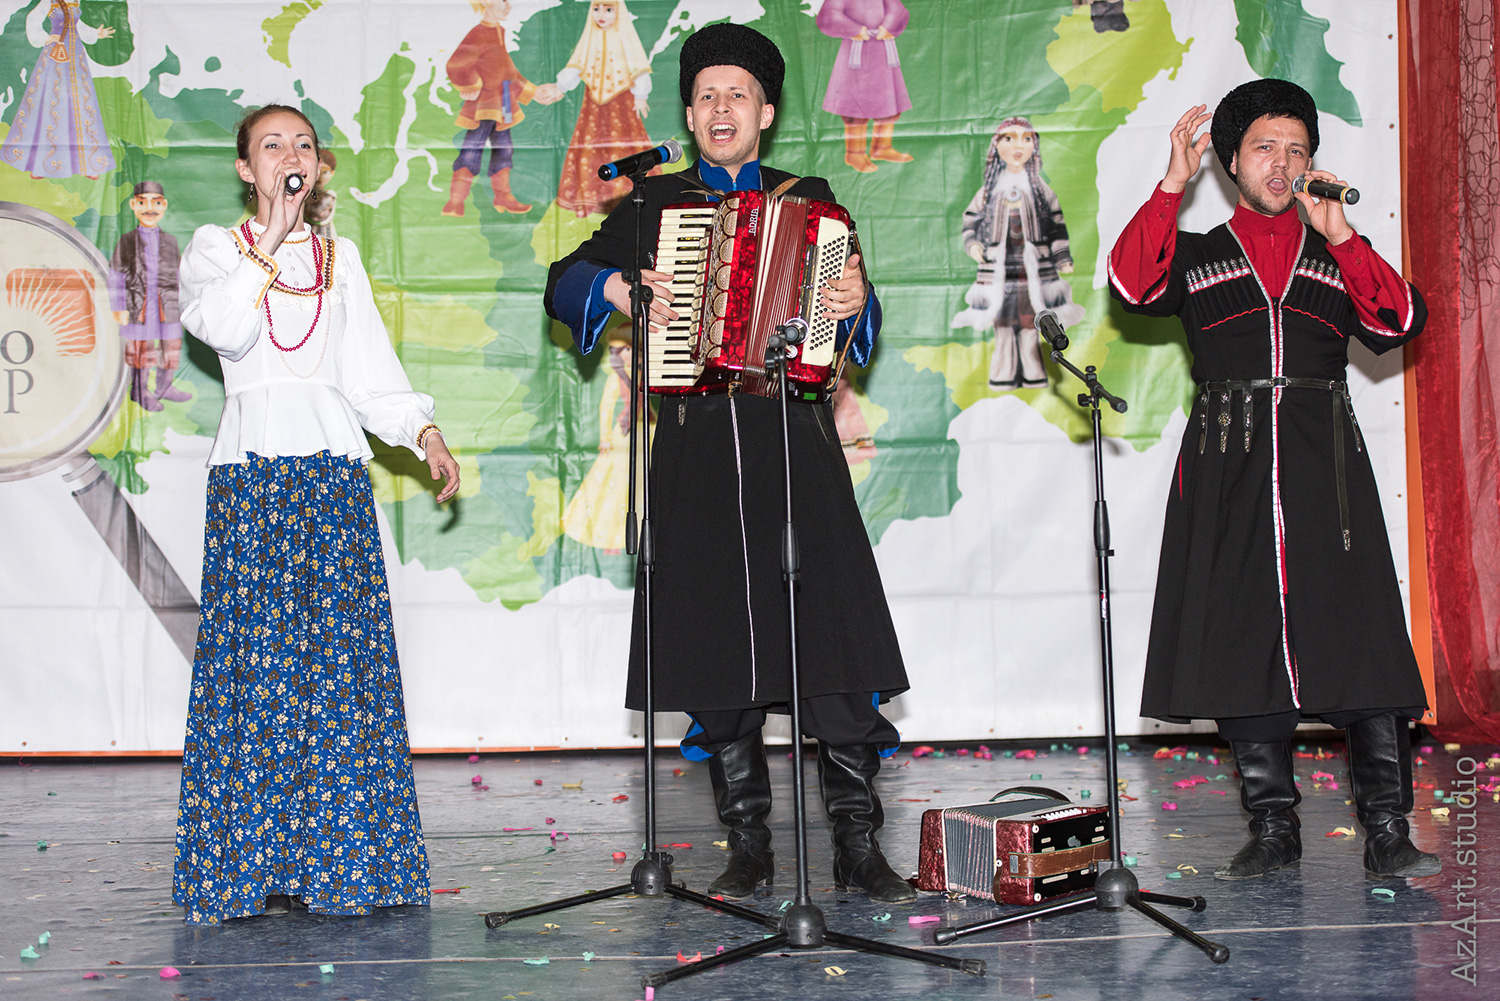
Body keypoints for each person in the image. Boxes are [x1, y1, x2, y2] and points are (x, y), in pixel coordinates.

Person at [545, 23, 915, 904]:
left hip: (795, 440)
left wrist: (856, 301)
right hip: (698, 447)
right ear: (689, 114)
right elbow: (563, 282)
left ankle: (857, 847)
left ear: (766, 113)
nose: (721, 109)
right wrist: (618, 287)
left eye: (737, 95)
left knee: (832, 646)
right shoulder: (653, 205)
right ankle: (748, 846)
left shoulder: (811, 200)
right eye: (706, 96)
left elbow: (857, 322)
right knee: (718, 655)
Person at [1107, 79, 1440, 881]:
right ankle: (1272, 826)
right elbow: (1131, 282)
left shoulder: (1337, 248)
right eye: (1265, 147)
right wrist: (1171, 184)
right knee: (1242, 636)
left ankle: (1387, 829)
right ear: (1231, 161)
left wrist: (1345, 235)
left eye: (1297, 150)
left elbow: (1398, 321)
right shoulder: (1196, 252)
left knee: (1361, 634)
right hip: (1229, 462)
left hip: (1325, 461)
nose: (1283, 163)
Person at [172, 104, 461, 925]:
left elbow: (368, 373)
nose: (289, 155)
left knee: (340, 671)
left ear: (319, 165)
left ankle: (345, 861)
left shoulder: (341, 258)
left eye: (302, 144)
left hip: (332, 481)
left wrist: (423, 432)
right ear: (246, 167)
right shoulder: (215, 249)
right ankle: (251, 864)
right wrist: (269, 237)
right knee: (257, 671)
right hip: (254, 482)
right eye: (272, 145)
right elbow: (225, 331)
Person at [954, 117, 1083, 390]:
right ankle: (1003, 373)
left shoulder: (1041, 191)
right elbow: (970, 219)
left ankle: (1033, 372)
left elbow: (1056, 224)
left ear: (1034, 147)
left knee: (1031, 321)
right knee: (1002, 322)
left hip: (1033, 269)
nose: (1018, 146)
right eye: (1009, 138)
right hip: (998, 269)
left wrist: (1062, 257)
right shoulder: (988, 193)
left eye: (1026, 139)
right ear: (996, 146)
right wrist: (973, 244)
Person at [442, 0, 563, 216]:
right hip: (484, 106)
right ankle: (456, 200)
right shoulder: (479, 33)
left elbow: (508, 72)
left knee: (504, 150)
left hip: (503, 105)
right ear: (486, 3)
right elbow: (456, 64)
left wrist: (534, 92)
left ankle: (503, 197)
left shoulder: (498, 31)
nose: (508, 6)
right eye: (503, 1)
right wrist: (471, 84)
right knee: (472, 150)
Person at [552, 0, 658, 218]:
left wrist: (641, 95)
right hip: (593, 104)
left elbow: (638, 66)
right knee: (590, 148)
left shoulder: (625, 36)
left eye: (608, 9)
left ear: (618, 12)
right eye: (596, 9)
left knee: (625, 146)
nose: (601, 14)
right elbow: (577, 64)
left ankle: (627, 199)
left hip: (621, 102)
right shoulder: (590, 37)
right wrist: (560, 86)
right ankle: (589, 201)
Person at [1, 1, 116, 179]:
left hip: (75, 55)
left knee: (81, 103)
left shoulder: (75, 0)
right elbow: (32, 19)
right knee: (50, 102)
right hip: (55, 55)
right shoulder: (49, 1)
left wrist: (95, 34)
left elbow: (78, 25)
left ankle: (88, 165)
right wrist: (45, 38)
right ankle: (40, 165)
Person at [111, 181, 190, 411]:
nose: (149, 208)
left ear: (163, 205)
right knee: (141, 351)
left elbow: (179, 274)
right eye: (142, 202)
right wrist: (118, 306)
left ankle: (164, 387)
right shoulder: (127, 241)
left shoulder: (170, 241)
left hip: (167, 305)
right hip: (139, 306)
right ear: (133, 205)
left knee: (170, 347)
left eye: (156, 203)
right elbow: (115, 275)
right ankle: (140, 390)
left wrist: (183, 303)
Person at [816, 0, 914, 172]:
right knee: (855, 107)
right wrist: (855, 30)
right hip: (855, 52)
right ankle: (854, 153)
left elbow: (898, 10)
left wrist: (887, 26)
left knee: (888, 103)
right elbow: (829, 14)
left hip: (882, 52)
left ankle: (882, 147)